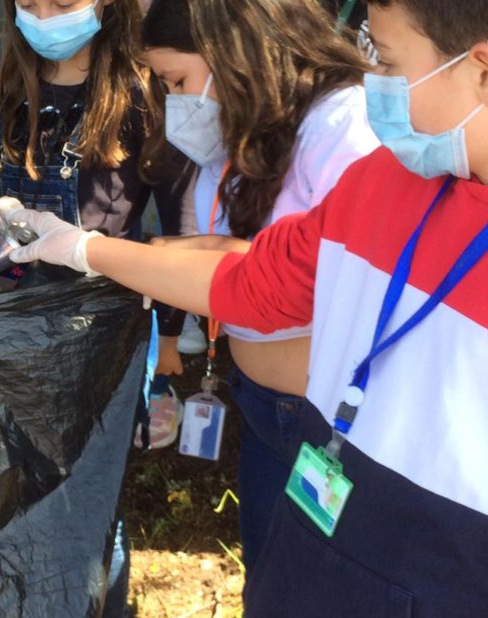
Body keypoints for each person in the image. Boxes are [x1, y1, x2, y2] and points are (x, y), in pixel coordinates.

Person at [9, 0, 488, 618]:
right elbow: (254, 280)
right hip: (334, 496)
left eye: (388, 64)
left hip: (453, 580)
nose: (375, 86)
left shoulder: (364, 150)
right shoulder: (387, 183)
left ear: (485, 72)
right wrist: (82, 249)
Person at [0, 0, 188, 618]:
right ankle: (13, 616)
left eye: (63, 3)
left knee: (90, 487)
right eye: (32, 3)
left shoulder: (139, 95)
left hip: (98, 336)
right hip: (1, 325)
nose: (45, 13)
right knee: (7, 477)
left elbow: (177, 225)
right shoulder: (3, 88)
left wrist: (170, 335)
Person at [141, 0, 378, 575]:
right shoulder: (247, 126)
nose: (177, 101)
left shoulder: (341, 125)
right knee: (269, 571)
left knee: (312, 582)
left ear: (232, 52)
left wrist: (96, 253)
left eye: (178, 81)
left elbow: (321, 272)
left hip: (321, 416)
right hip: (261, 399)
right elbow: (230, 245)